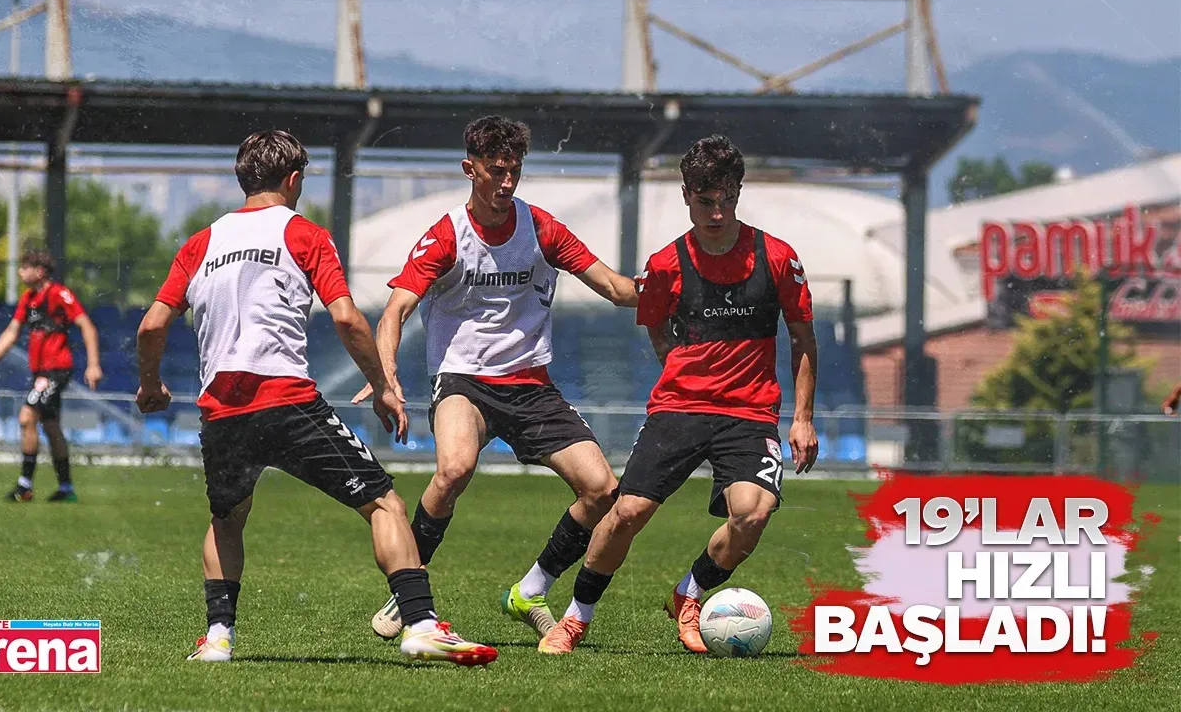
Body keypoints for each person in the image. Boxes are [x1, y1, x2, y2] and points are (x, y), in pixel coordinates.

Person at [135, 129, 497, 666]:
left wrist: (150, 384)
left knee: (228, 517)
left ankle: (217, 639)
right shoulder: (304, 233)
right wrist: (383, 386)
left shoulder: (200, 243)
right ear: (294, 179)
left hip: (222, 411)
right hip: (286, 401)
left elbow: (151, 325)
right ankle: (421, 625)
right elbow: (346, 318)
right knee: (385, 504)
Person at [355, 115, 638, 641]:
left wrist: (676, 286)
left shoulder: (542, 228)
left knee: (602, 490)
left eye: (515, 171)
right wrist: (385, 370)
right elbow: (395, 310)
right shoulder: (446, 235)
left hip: (531, 384)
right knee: (454, 469)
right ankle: (407, 591)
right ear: (471, 169)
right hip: (463, 381)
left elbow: (616, 289)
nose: (507, 182)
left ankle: (531, 589)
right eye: (496, 171)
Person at [537, 134, 820, 655]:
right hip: (679, 407)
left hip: (751, 412)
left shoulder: (778, 257)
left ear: (738, 193)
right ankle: (576, 618)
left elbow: (803, 339)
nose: (717, 213)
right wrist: (680, 368)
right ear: (686, 195)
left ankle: (689, 592)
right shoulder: (666, 264)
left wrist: (802, 418)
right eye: (706, 201)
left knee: (754, 513)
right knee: (627, 512)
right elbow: (655, 326)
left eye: (727, 200)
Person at [0, 250, 103, 503]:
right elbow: (12, 331)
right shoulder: (28, 299)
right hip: (41, 373)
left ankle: (24, 486)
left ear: (40, 271)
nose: (19, 272)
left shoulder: (59, 294)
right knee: (51, 426)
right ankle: (66, 488)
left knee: (26, 418)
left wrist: (93, 365)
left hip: (56, 371)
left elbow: (87, 326)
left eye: (25, 267)